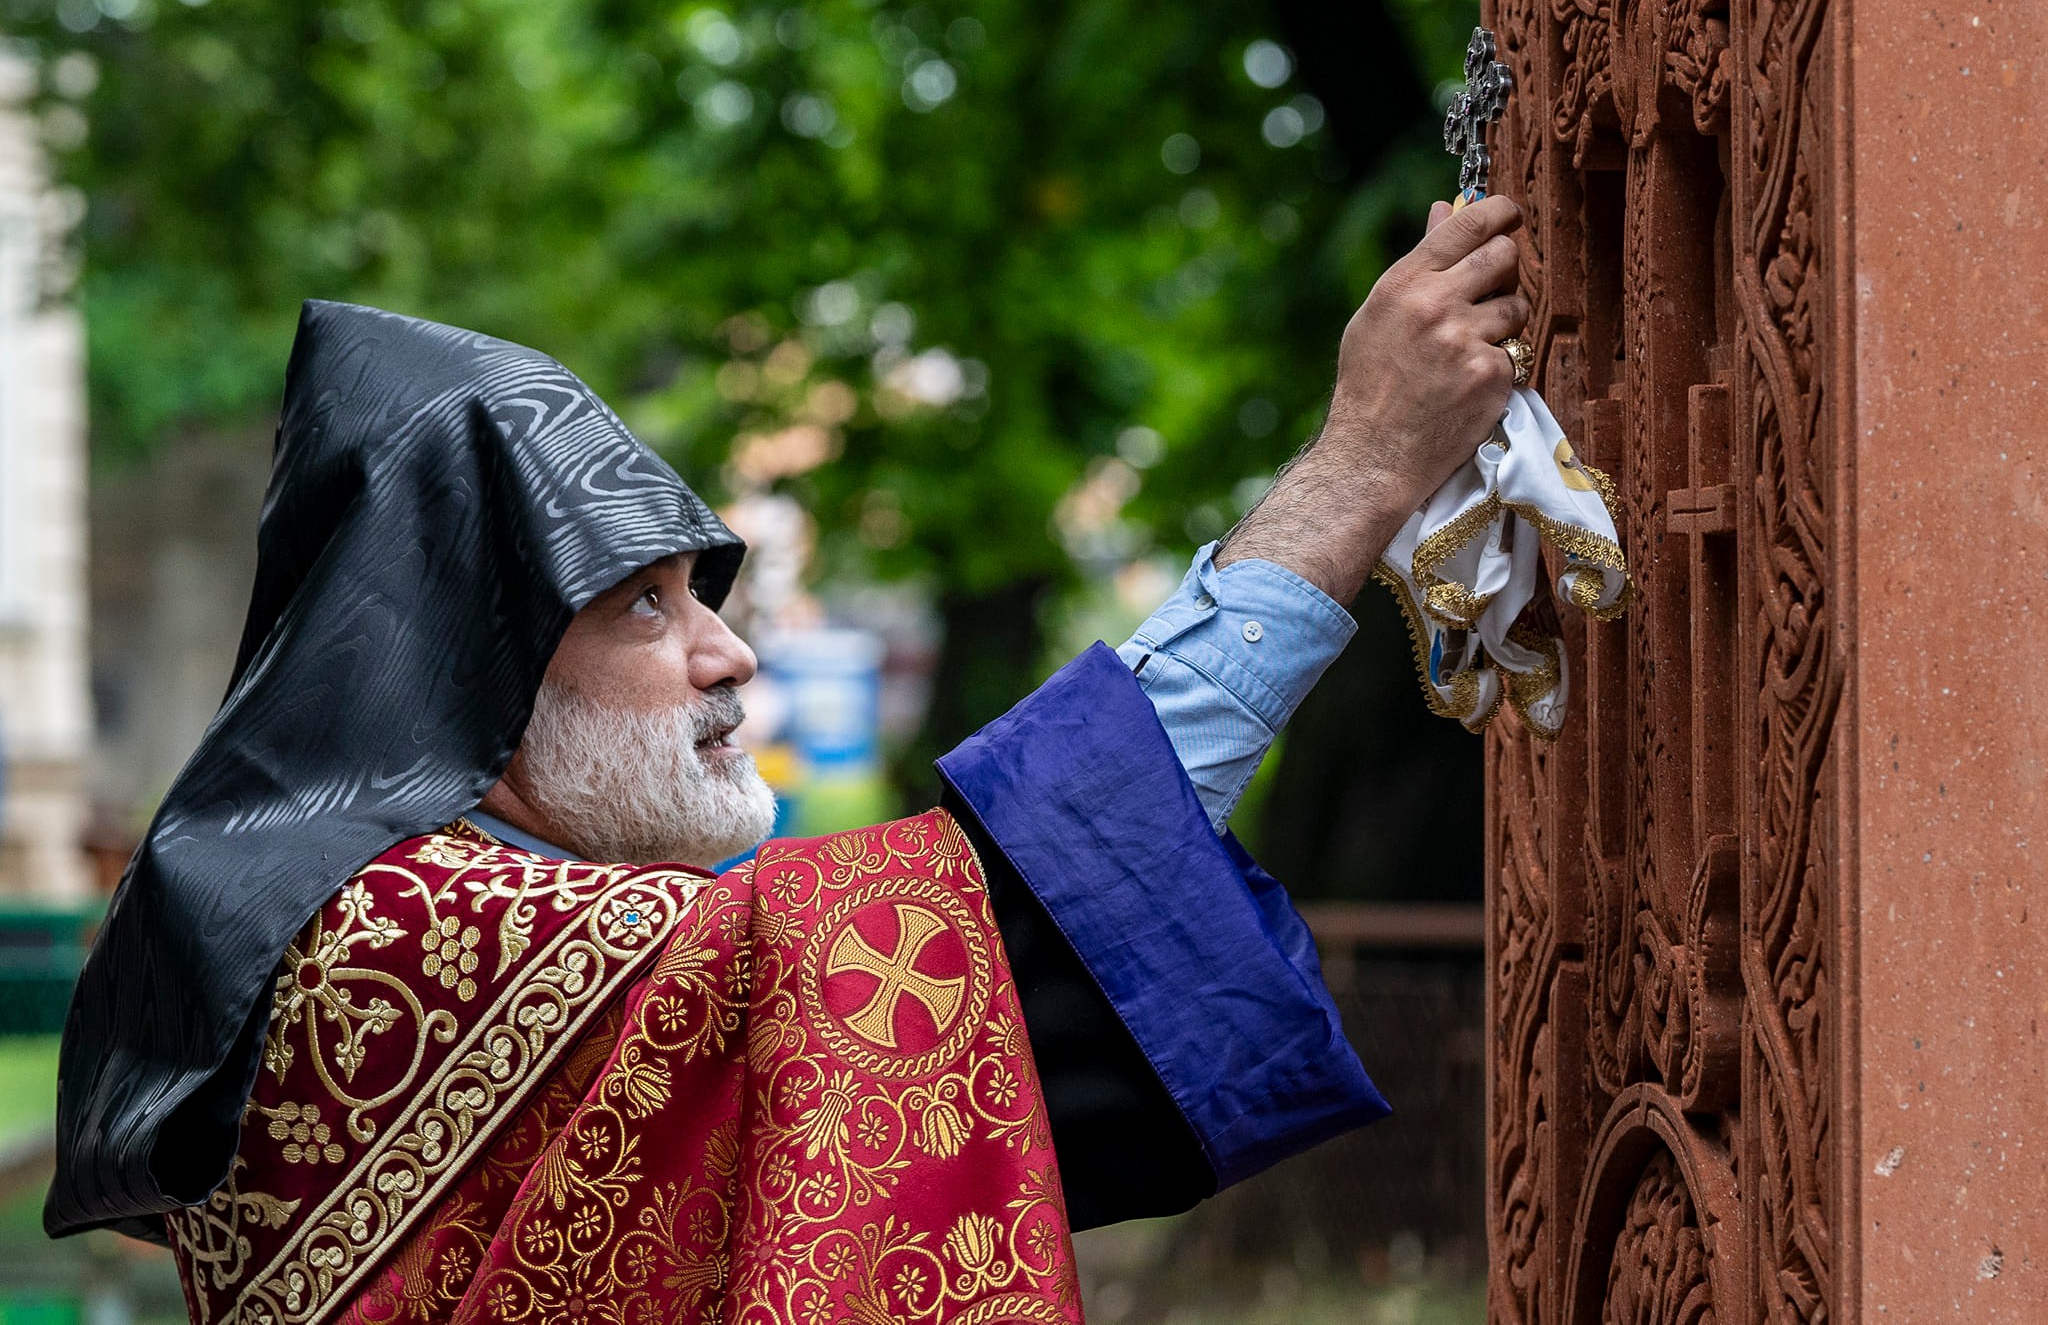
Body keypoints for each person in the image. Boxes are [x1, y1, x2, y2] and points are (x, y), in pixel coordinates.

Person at [47, 195, 1528, 1323]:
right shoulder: (383, 931)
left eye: (706, 595)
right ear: (467, 663)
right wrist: (1357, 474)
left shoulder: (392, 914)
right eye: (644, 602)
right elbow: (989, 929)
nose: (730, 653)